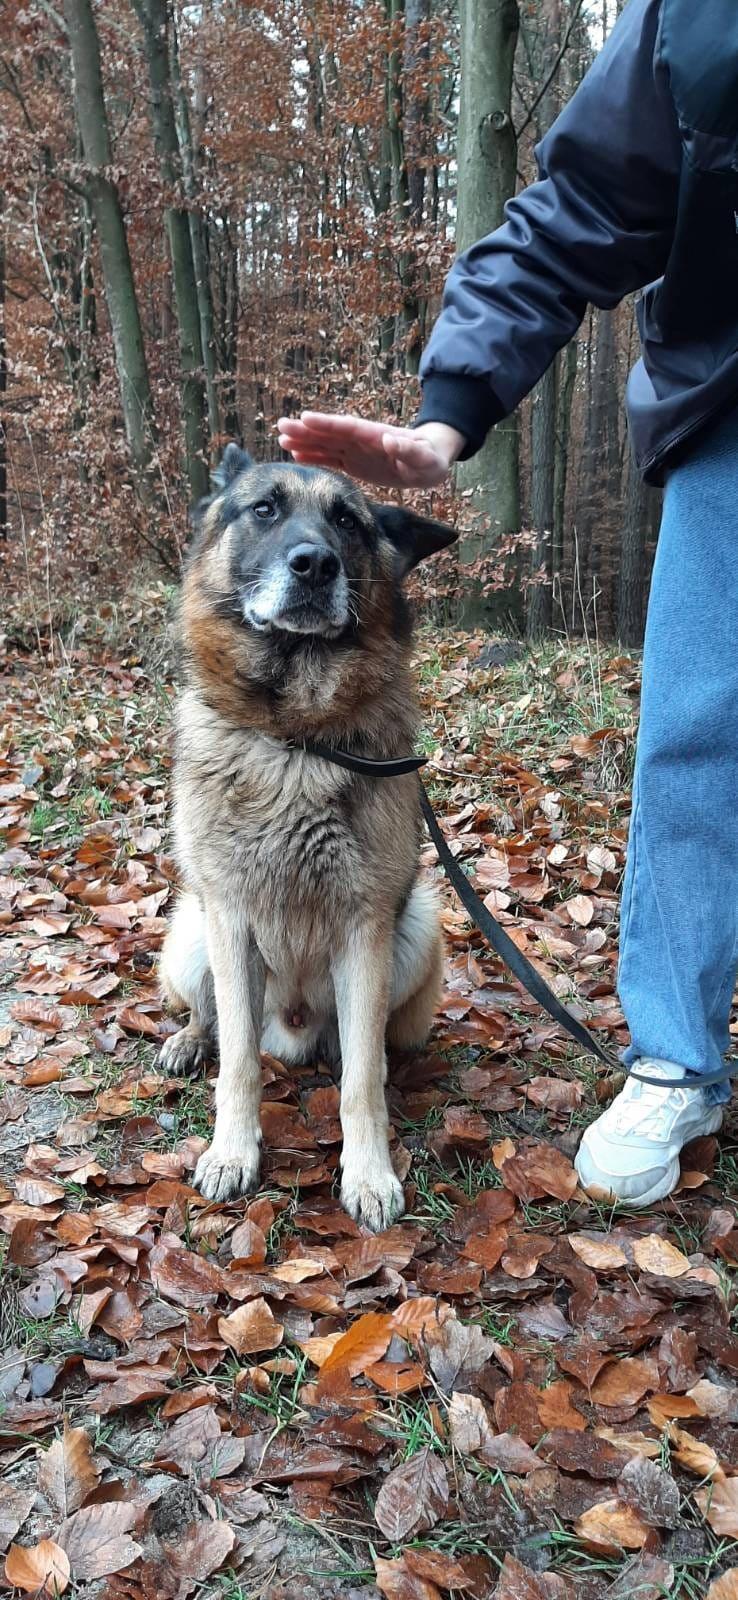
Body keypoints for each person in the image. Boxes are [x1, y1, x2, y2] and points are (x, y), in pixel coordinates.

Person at [277, 0, 738, 1207]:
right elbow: (583, 201)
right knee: (696, 728)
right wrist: (448, 415)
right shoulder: (695, 17)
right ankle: (678, 1055)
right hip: (731, 408)